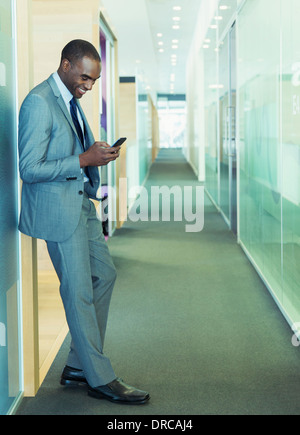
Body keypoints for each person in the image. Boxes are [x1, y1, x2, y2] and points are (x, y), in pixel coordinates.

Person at [18, 39, 150, 405]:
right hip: (58, 211)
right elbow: (28, 169)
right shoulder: (38, 102)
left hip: (81, 205)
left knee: (104, 275)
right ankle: (100, 378)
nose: (89, 86)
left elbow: (74, 152)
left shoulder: (70, 102)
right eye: (85, 78)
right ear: (66, 64)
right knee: (77, 292)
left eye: (94, 80)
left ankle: (78, 365)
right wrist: (82, 159)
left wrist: (96, 156)